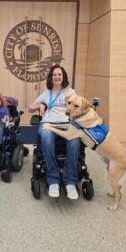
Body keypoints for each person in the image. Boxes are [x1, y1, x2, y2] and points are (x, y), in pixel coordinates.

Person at [28, 64, 80, 199]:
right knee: (45, 136)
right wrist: (39, 105)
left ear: (63, 77)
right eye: (54, 75)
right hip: (48, 124)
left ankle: (69, 181)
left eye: (59, 74)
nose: (57, 77)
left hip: (66, 124)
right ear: (51, 77)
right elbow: (29, 108)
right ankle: (53, 180)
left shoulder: (71, 93)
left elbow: (79, 107)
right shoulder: (46, 93)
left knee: (75, 140)